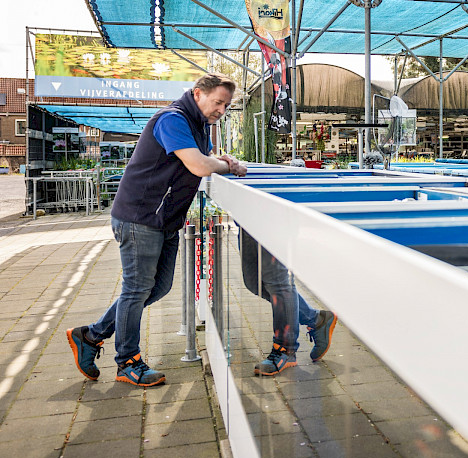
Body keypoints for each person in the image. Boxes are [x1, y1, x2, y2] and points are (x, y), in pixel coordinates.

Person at [66, 73, 247, 387]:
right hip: (140, 218)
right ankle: (127, 362)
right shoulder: (172, 119)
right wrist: (228, 165)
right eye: (218, 102)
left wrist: (221, 158)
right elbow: (199, 165)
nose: (222, 110)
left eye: (226, 105)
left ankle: (91, 335)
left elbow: (203, 158)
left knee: (156, 288)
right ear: (198, 94)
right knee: (136, 290)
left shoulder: (199, 125)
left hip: (164, 220)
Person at [240, 229, 337, 375]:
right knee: (254, 282)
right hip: (245, 221)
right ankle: (316, 319)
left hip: (271, 219)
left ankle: (285, 350)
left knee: (277, 281)